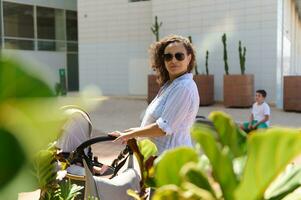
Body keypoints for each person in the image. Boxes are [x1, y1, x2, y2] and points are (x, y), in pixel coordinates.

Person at [109, 35, 200, 155]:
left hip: (171, 160)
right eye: (168, 57)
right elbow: (156, 123)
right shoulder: (171, 85)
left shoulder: (183, 87)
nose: (173, 60)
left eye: (179, 56)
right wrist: (131, 133)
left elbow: (163, 128)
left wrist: (131, 134)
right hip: (159, 157)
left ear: (189, 58)